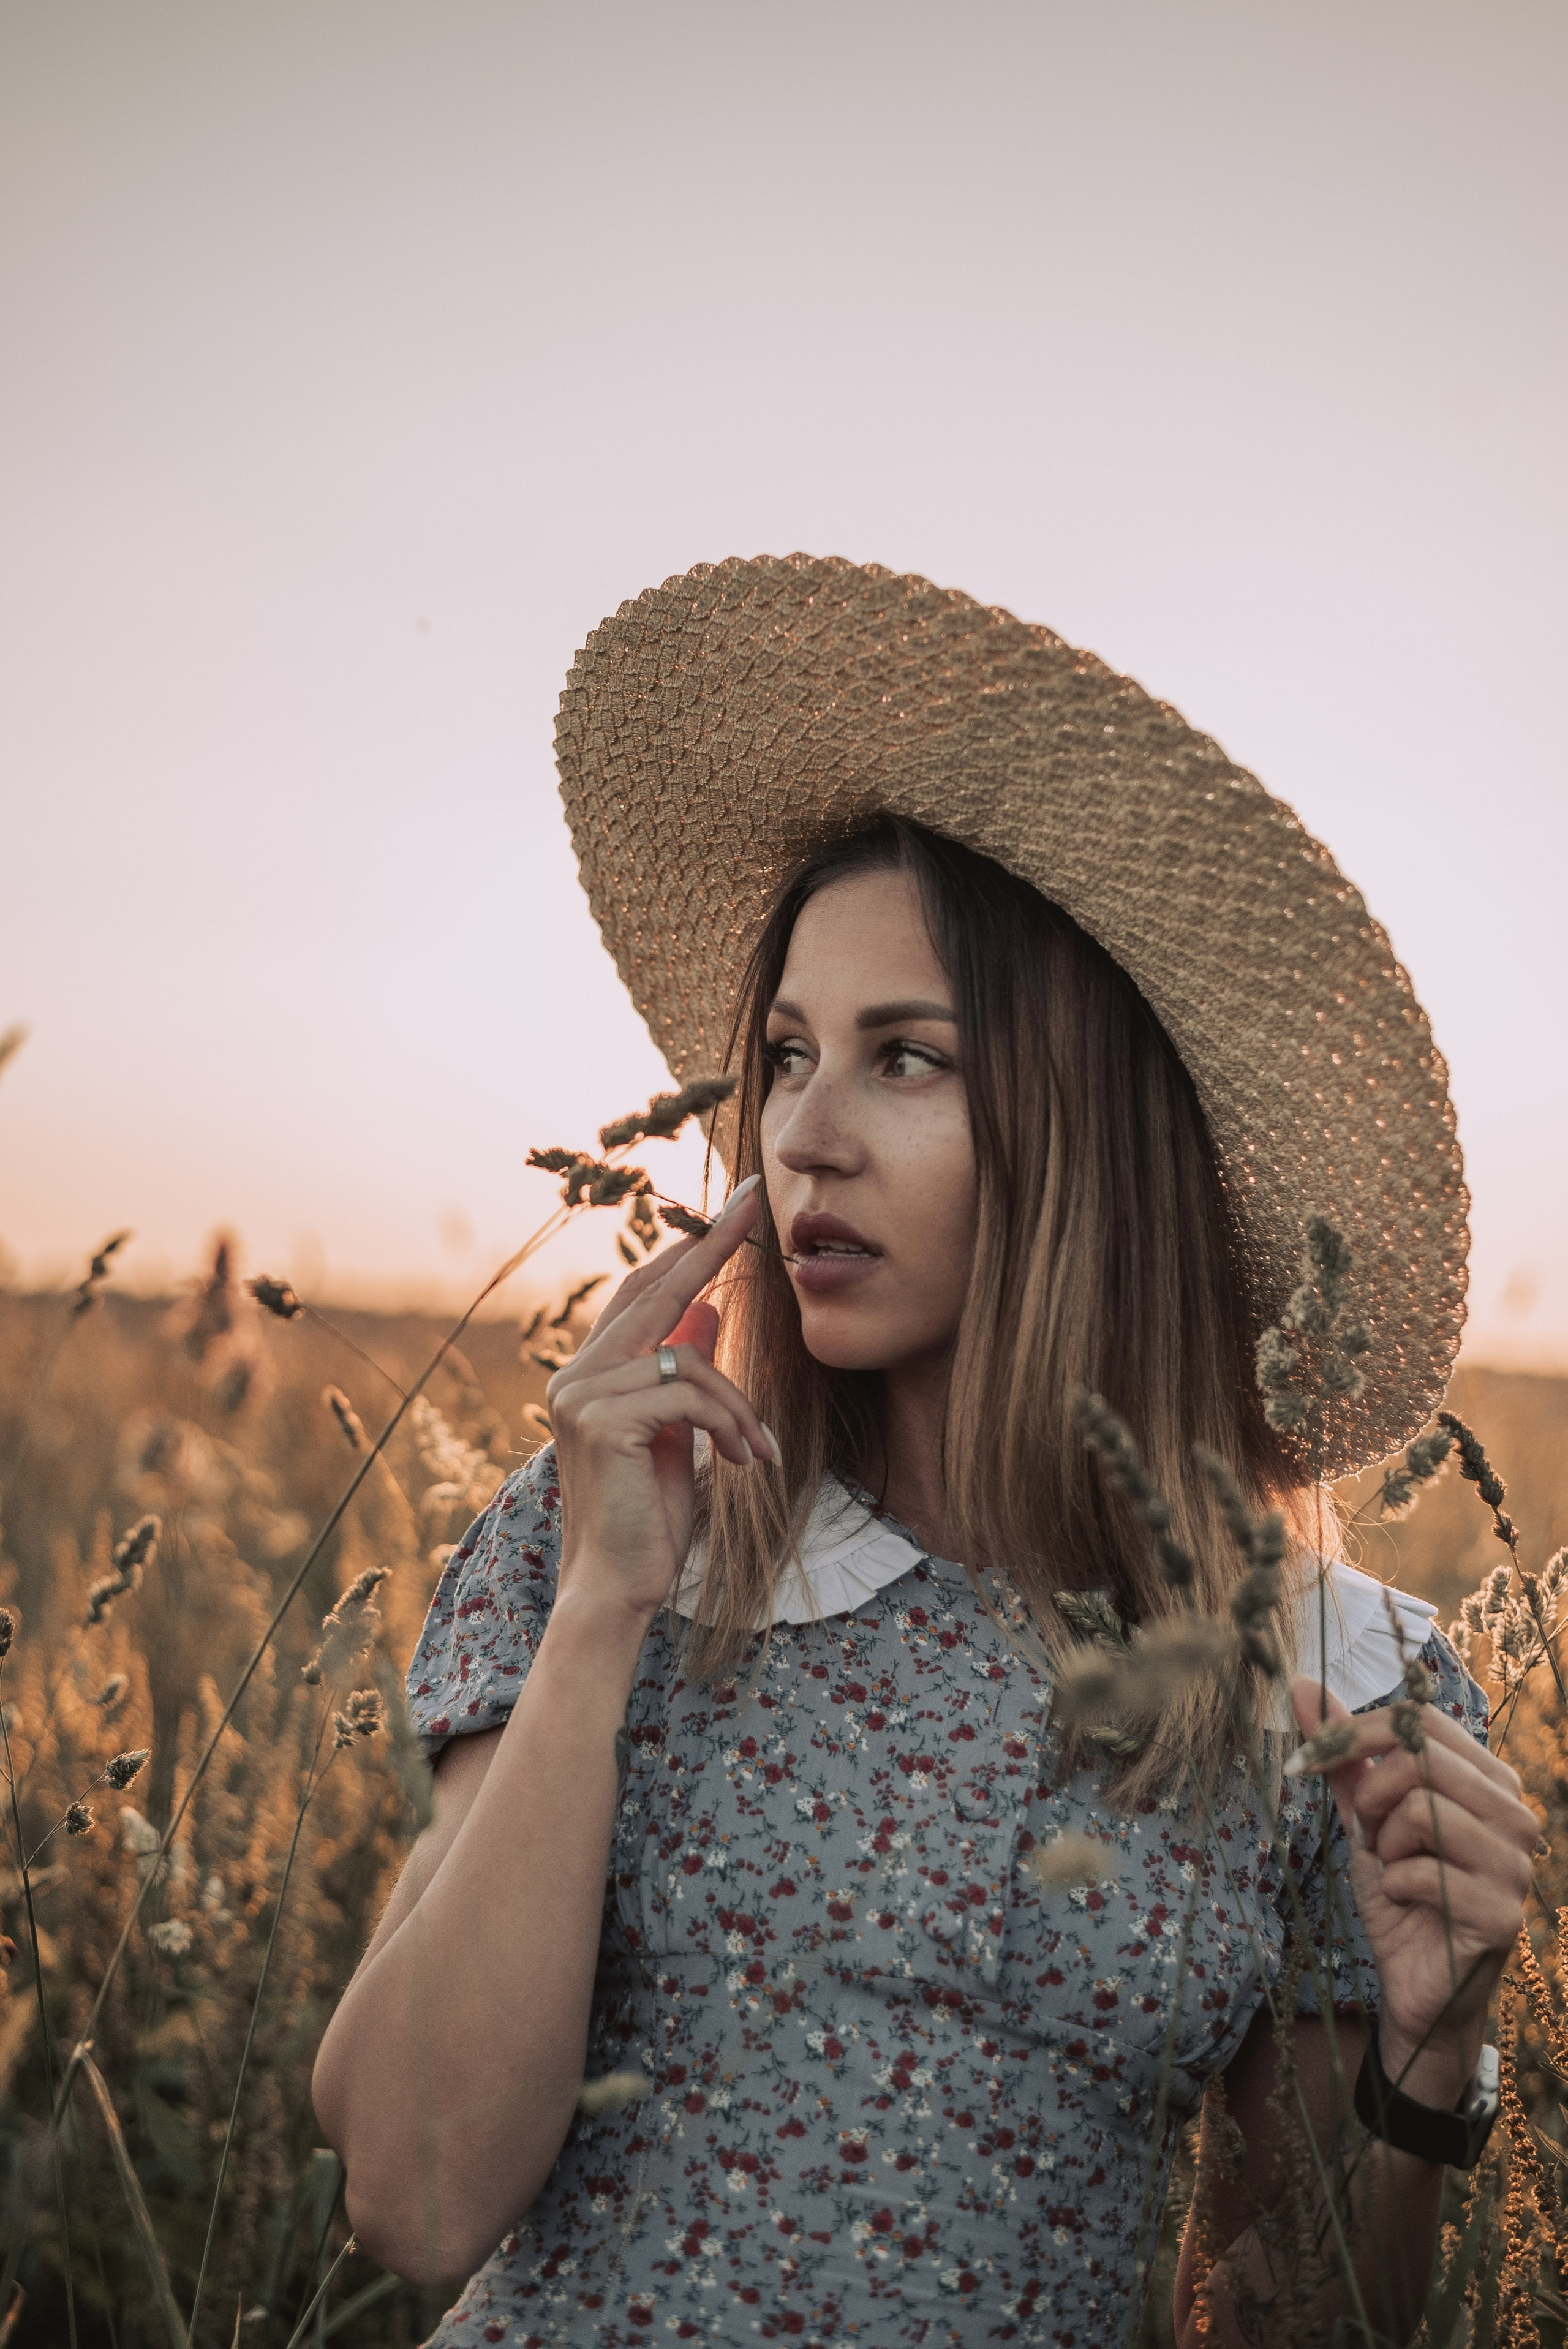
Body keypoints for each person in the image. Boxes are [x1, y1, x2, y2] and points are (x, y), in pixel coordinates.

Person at [312, 557, 1536, 2348]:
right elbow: (413, 2193)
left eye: (907, 1060)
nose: (802, 1134)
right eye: (790, 1052)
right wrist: (596, 1619)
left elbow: (1278, 2320)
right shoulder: (634, 1528)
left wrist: (1431, 2054)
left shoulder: (1337, 1683)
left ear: (1088, 1129)